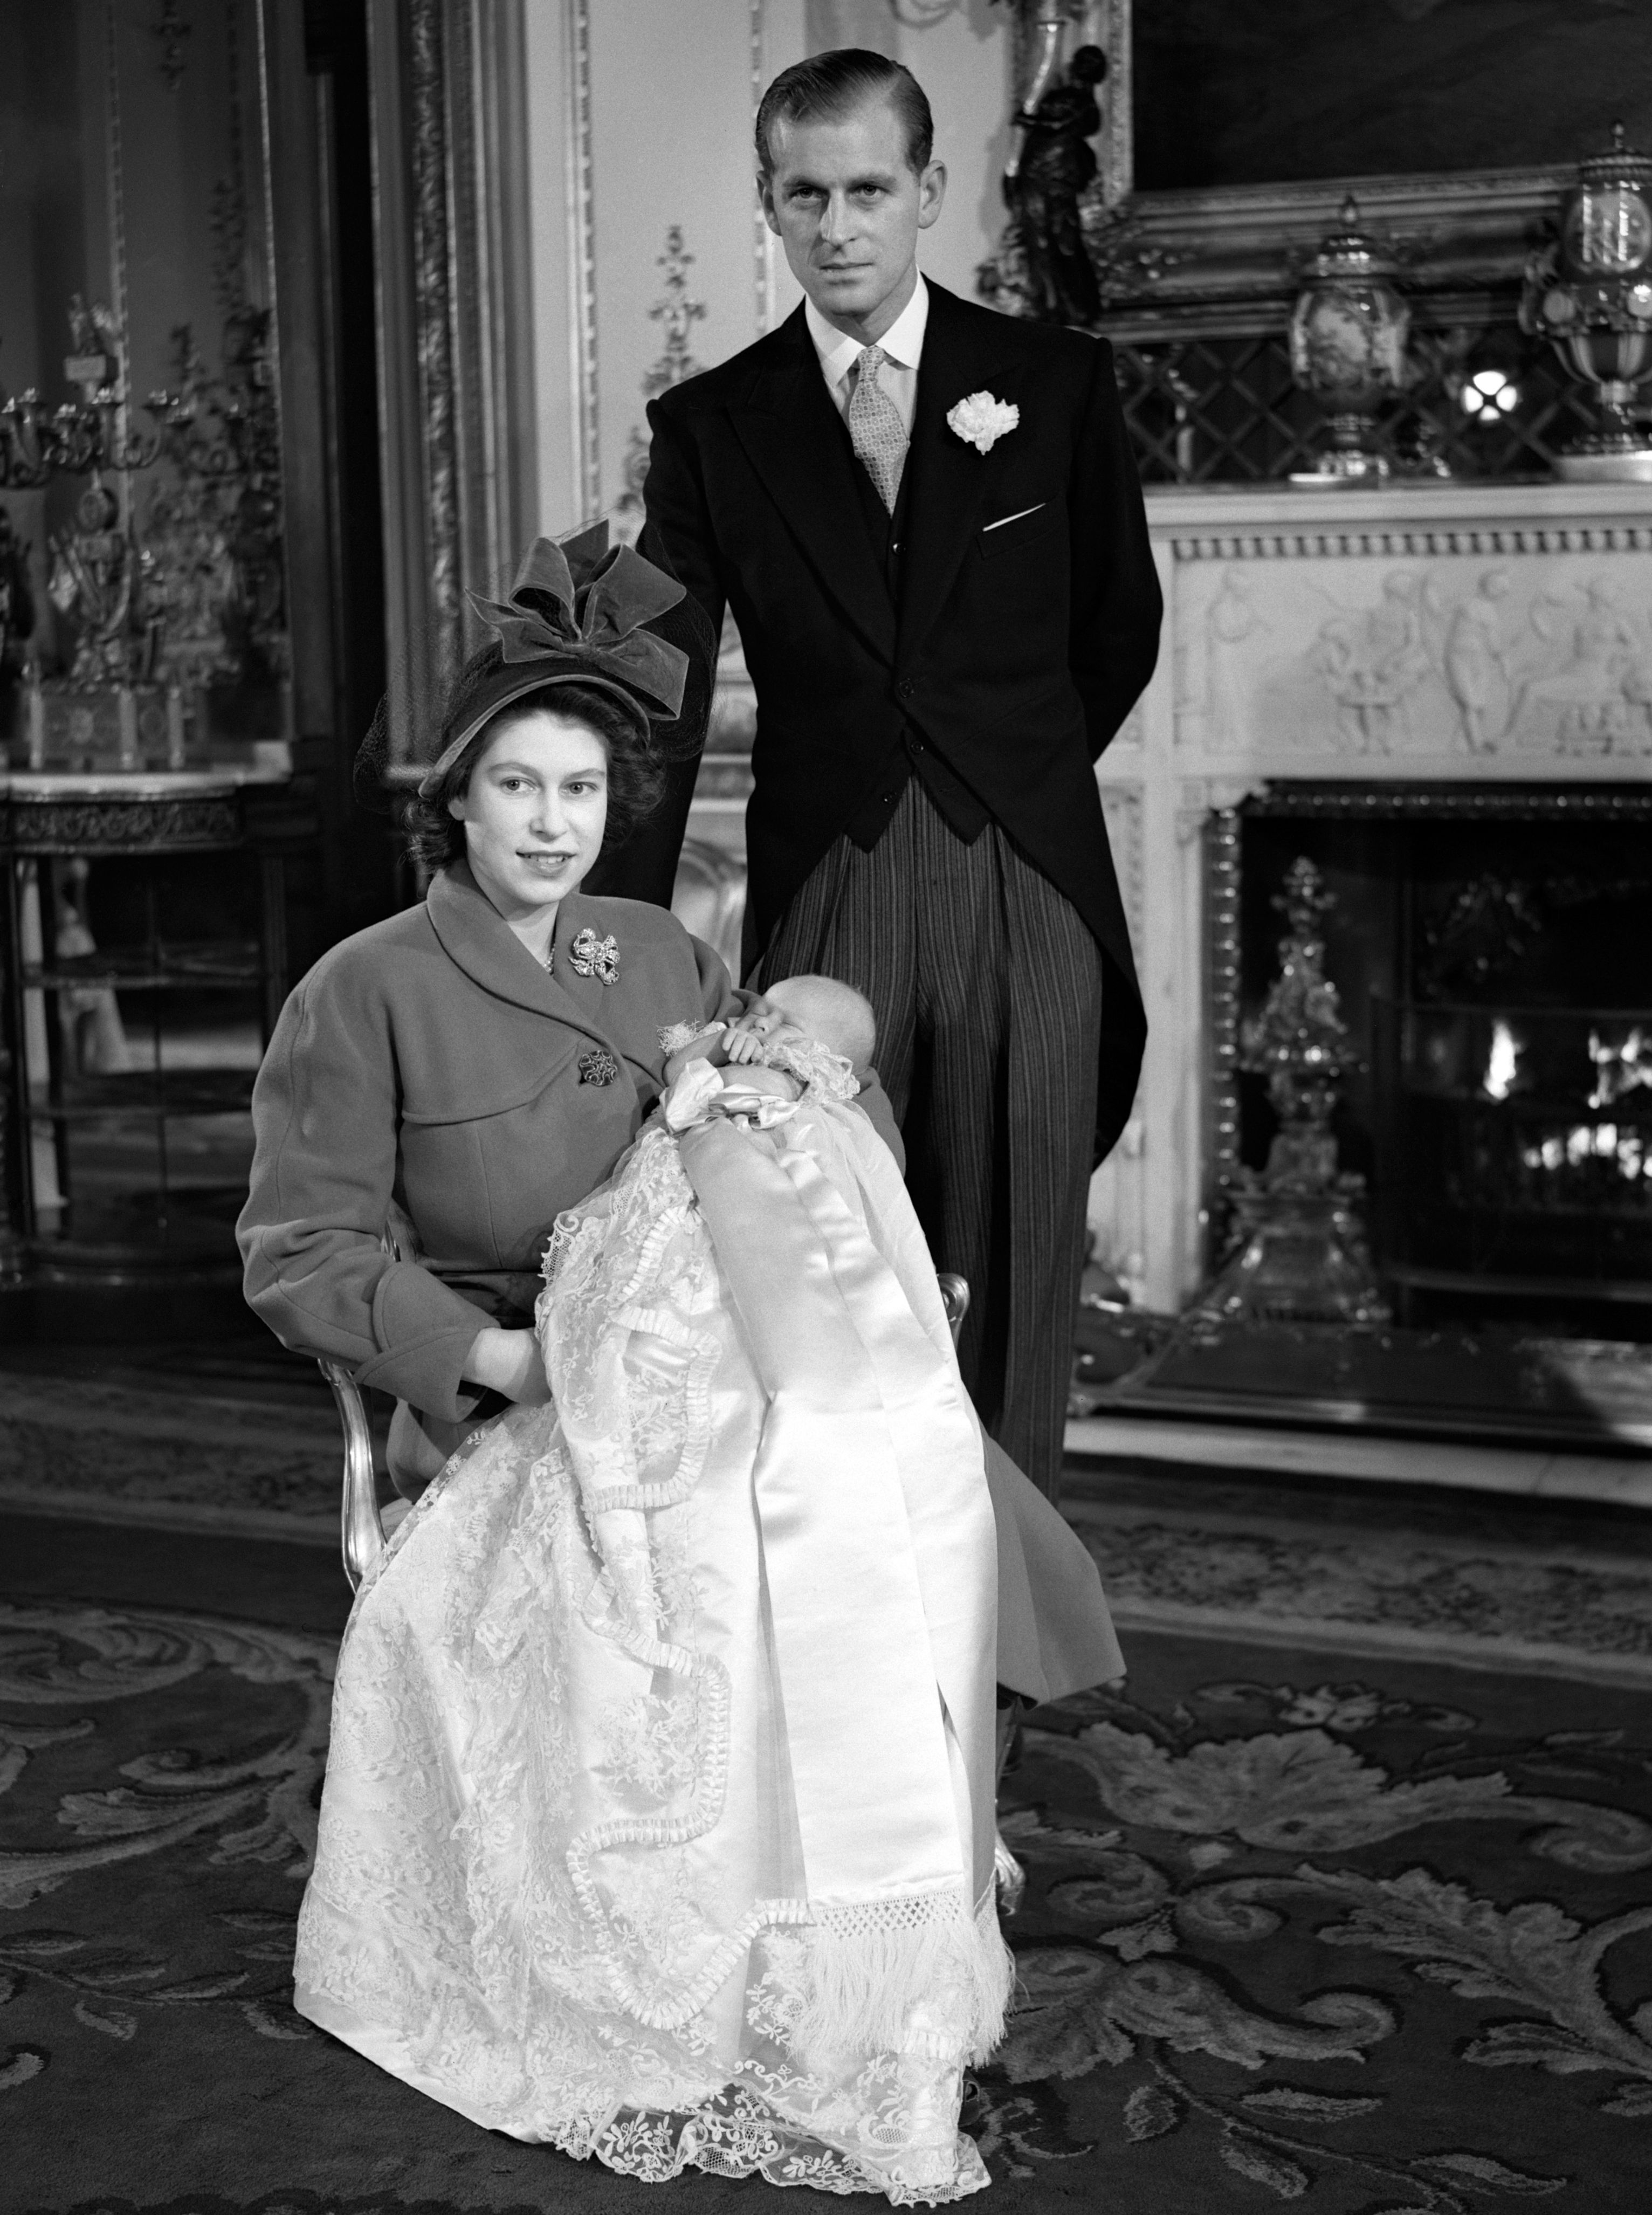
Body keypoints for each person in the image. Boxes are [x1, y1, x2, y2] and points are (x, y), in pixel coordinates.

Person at [238, 526, 1122, 2199]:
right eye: (517, 787)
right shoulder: (364, 992)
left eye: (581, 787)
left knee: (866, 1492)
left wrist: (804, 1076)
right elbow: (304, 1251)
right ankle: (676, 1977)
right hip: (529, 1400)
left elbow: (784, 1131)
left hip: (714, 1355)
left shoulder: (657, 946)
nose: (555, 821)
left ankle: (830, 1953)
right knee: (723, 1549)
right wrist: (488, 1352)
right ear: (457, 801)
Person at [639, 48, 1163, 1501]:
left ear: (928, 192)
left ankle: (1002, 1664)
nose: (840, 224)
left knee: (1016, 1286)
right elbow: (662, 685)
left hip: (1024, 883)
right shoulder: (710, 427)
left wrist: (1017, 773)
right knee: (829, 1280)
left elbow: (1118, 623)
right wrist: (609, 932)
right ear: (770, 206)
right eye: (806, 194)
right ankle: (866, 1642)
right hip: (827, 894)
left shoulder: (1053, 385)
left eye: (870, 188)